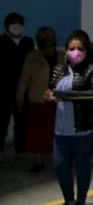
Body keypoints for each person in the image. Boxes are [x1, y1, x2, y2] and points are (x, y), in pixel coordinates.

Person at [43, 29, 93, 205]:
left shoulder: (92, 69)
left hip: (83, 128)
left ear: (86, 50)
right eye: (71, 48)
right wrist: (49, 95)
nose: (75, 52)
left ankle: (80, 202)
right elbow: (51, 90)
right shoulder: (58, 70)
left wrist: (69, 97)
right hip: (61, 129)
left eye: (79, 48)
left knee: (82, 166)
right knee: (60, 165)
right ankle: (68, 201)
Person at [17, 27, 62, 172]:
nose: (45, 39)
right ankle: (39, 162)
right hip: (38, 100)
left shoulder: (62, 56)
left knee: (58, 131)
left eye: (47, 35)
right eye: (42, 36)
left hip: (59, 100)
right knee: (38, 132)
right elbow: (24, 79)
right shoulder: (32, 56)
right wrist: (20, 97)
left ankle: (60, 159)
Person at [0, 12, 34, 154]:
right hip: (4, 88)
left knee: (22, 120)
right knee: (2, 120)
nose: (17, 26)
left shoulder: (28, 41)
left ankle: (20, 148)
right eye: (13, 23)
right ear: (7, 25)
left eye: (20, 23)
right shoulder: (1, 41)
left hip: (23, 88)